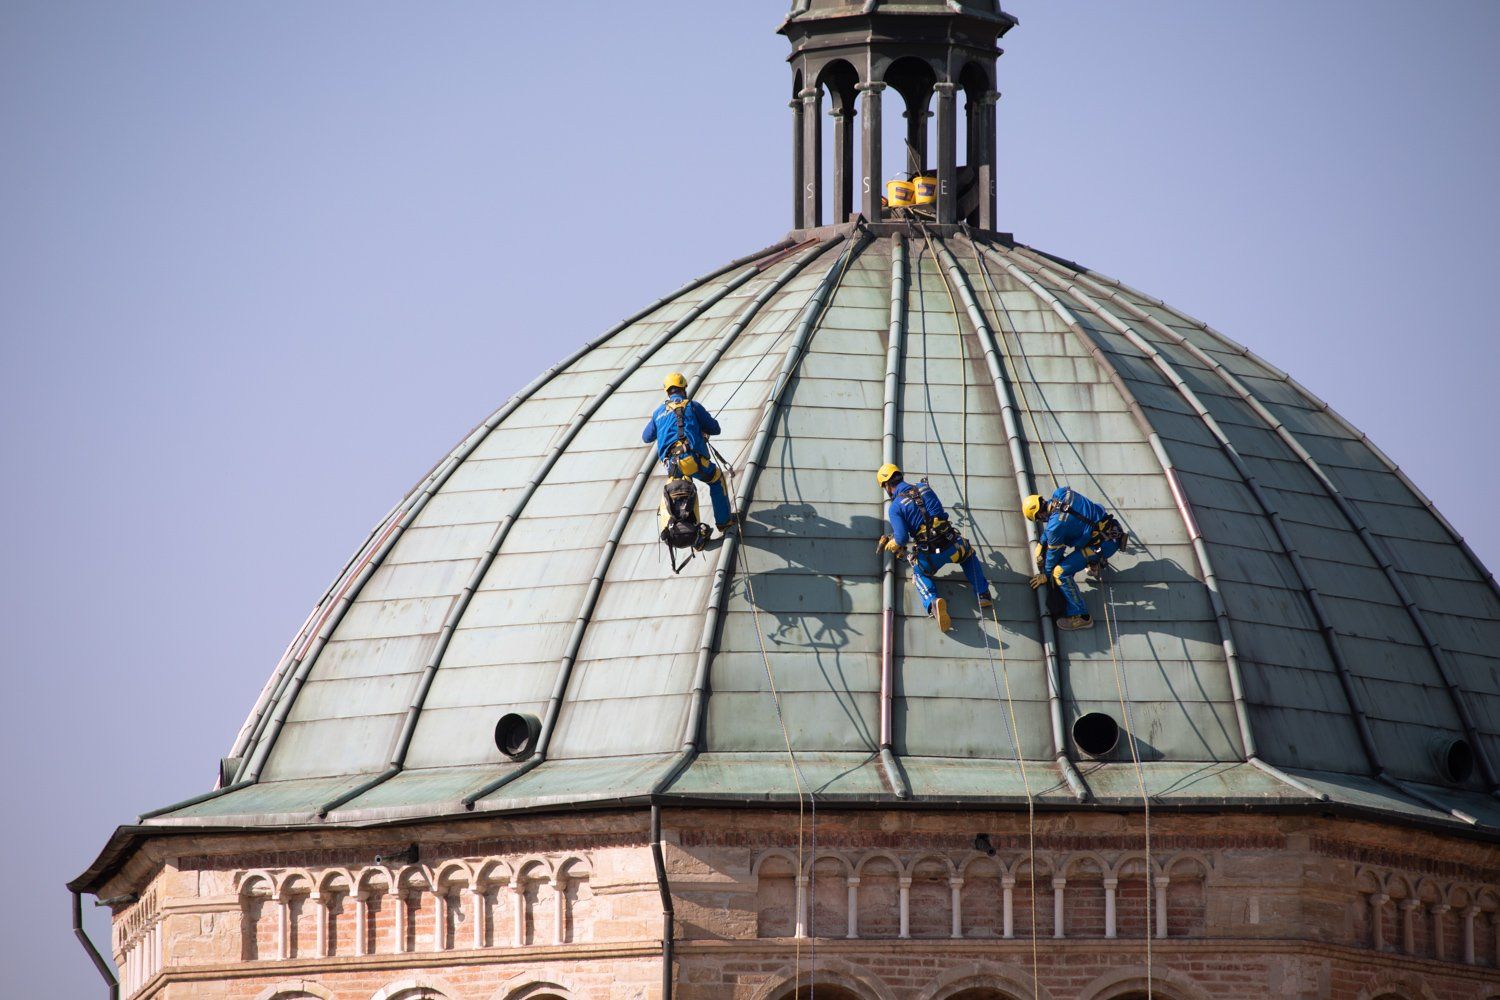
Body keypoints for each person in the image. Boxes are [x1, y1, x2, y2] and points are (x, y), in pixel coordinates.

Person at [876, 464, 994, 633]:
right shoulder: (924, 488)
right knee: (968, 555)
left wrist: (895, 543)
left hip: (932, 555)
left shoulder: (895, 507)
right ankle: (983, 594)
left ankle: (933, 604)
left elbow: (901, 537)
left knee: (920, 574)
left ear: (887, 485)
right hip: (953, 544)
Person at [1023, 486, 1126, 631]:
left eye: (1038, 519)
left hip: (1103, 545)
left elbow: (1053, 555)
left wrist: (1045, 575)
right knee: (1078, 533)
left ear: (1039, 514)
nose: (1042, 521)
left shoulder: (1055, 527)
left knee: (1059, 572)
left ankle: (1081, 616)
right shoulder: (1062, 493)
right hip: (1111, 530)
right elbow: (1064, 519)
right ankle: (1093, 563)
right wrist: (1041, 542)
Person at [642, 372, 733, 532]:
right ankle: (723, 521)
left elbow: (646, 437)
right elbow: (715, 428)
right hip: (692, 460)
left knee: (682, 494)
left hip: (672, 466)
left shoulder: (658, 413)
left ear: (667, 391)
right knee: (716, 479)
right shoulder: (692, 405)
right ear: (684, 388)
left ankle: (695, 536)